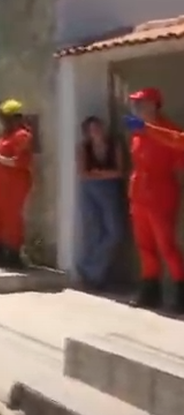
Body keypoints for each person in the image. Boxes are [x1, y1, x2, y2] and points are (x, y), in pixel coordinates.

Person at [122, 87, 184, 311]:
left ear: (154, 105)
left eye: (141, 103)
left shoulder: (169, 130)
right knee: (144, 245)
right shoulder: (138, 132)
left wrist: (147, 129)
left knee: (166, 246)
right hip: (139, 193)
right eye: (136, 103)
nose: (137, 107)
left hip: (160, 193)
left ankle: (180, 292)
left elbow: (179, 154)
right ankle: (150, 290)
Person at [0, 99, 33, 269]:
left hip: (14, 186)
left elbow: (20, 162)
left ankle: (13, 255)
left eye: (5, 117)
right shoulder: (4, 135)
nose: (2, 120)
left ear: (15, 118)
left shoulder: (22, 135)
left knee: (12, 220)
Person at [76, 116, 124, 291]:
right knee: (94, 232)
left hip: (110, 190)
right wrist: (103, 174)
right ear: (87, 132)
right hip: (89, 190)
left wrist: (99, 173)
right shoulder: (84, 148)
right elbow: (83, 173)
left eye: (98, 127)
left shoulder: (113, 145)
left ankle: (88, 268)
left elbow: (119, 172)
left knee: (114, 232)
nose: (96, 131)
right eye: (92, 129)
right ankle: (95, 277)